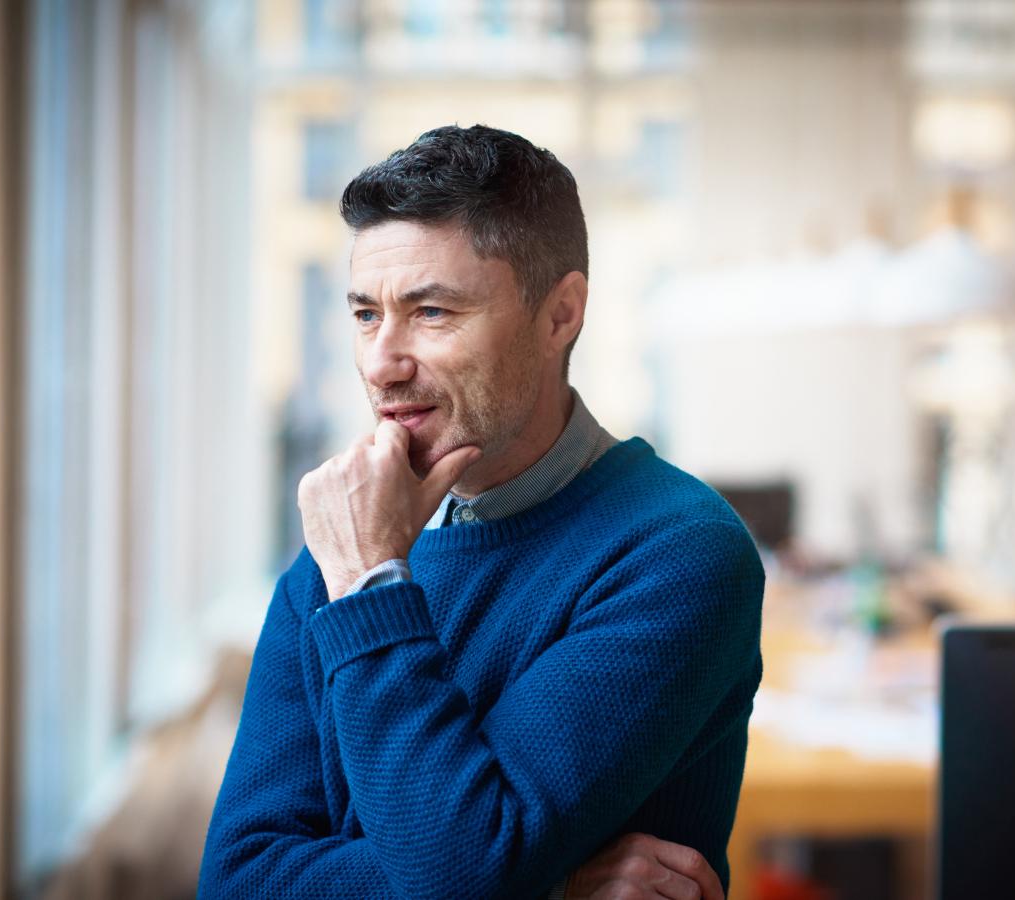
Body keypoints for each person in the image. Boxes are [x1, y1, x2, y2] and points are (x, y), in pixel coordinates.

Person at [197, 124, 764, 900]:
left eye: (431, 312)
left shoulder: (678, 554)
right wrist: (551, 884)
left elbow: (461, 872)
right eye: (366, 314)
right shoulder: (347, 541)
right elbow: (240, 881)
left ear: (561, 314)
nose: (382, 363)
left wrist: (371, 585)